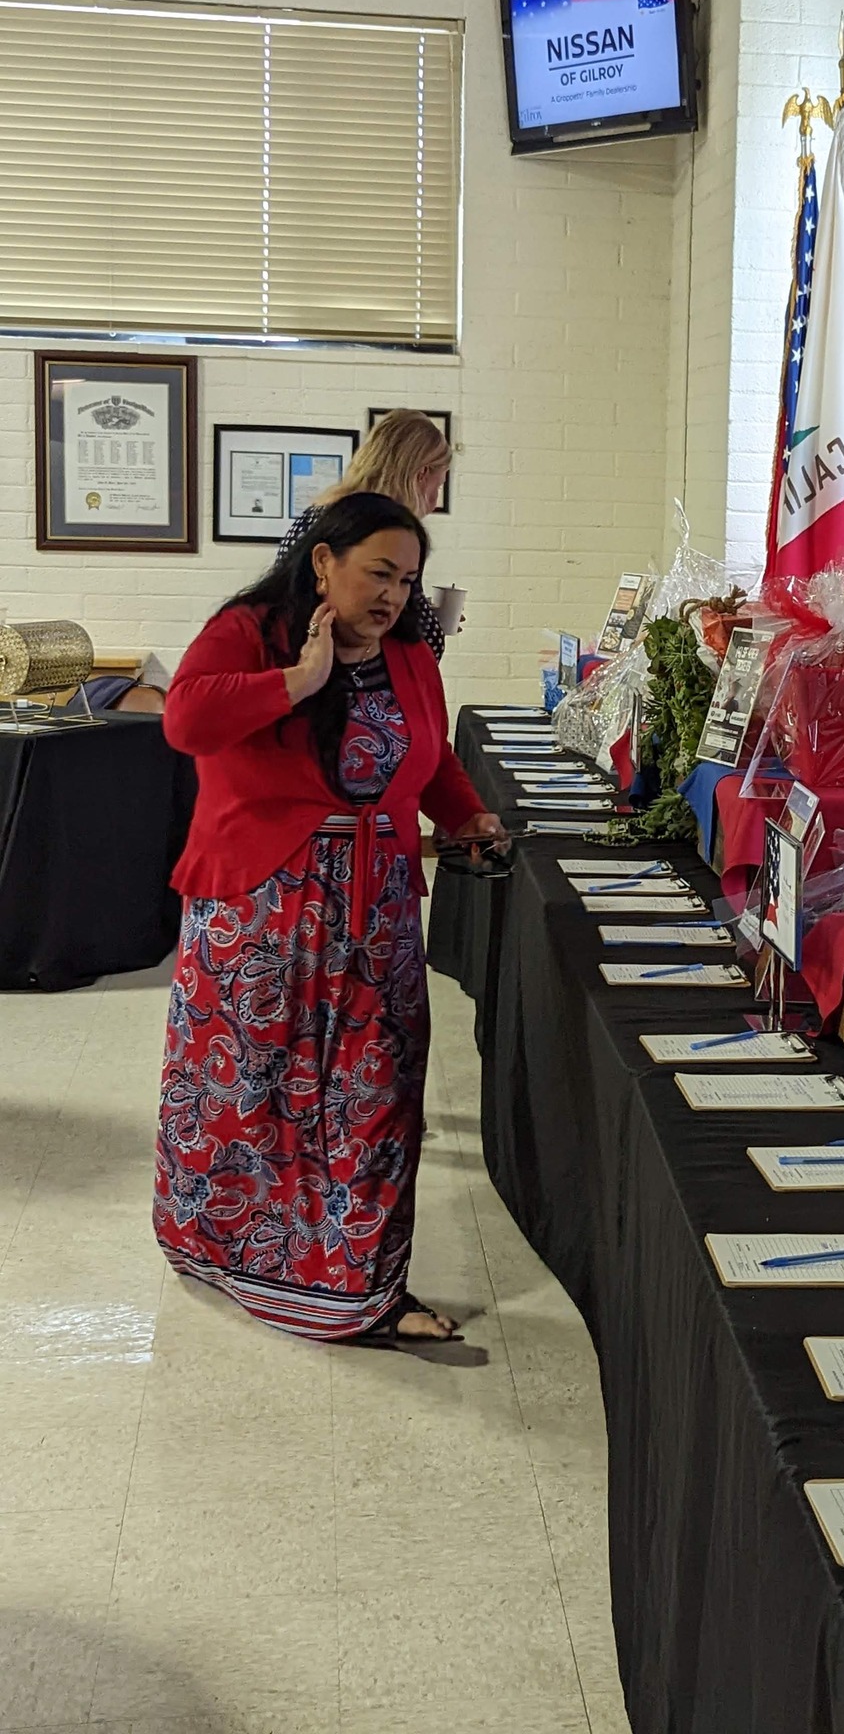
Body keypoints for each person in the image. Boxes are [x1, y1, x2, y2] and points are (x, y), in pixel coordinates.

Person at [154, 492, 506, 1343]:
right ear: (323, 562)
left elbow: (429, 757)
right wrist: (296, 682)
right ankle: (223, 1251)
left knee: (373, 1097)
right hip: (259, 911)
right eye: (378, 572)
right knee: (248, 1098)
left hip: (372, 914)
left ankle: (363, 1291)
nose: (393, 595)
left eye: (407, 579)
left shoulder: (412, 652)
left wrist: (466, 817)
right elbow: (185, 721)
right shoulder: (249, 629)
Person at [277, 409, 454, 659]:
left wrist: (422, 611)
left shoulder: (317, 514)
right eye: (439, 485)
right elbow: (417, 640)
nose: (435, 502)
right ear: (421, 475)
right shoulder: (387, 534)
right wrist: (432, 624)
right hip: (347, 682)